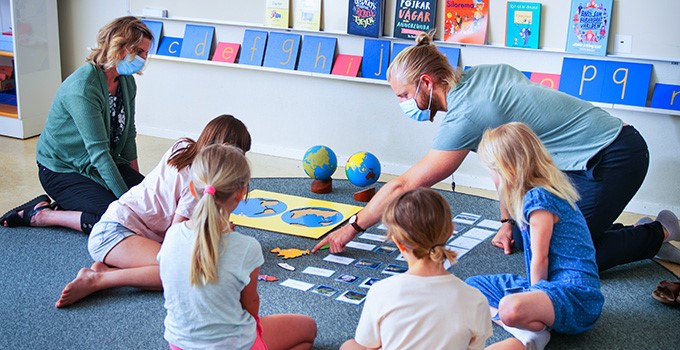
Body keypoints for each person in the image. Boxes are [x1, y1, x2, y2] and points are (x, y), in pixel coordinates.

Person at [313, 31, 679, 272]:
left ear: (426, 82)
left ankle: (658, 232)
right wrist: (507, 222)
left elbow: (404, 185)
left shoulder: (467, 114)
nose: (405, 105)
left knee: (566, 261)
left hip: (614, 154)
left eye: (405, 95)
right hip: (572, 163)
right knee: (525, 237)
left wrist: (353, 228)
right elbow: (500, 164)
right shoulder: (479, 77)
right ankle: (600, 224)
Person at [55, 115, 252, 308]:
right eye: (239, 155)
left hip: (119, 226)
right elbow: (175, 241)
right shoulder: (196, 187)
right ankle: (98, 279)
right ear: (225, 148)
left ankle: (108, 268)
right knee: (180, 272)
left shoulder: (182, 147)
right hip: (112, 234)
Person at [0, 16, 153, 234]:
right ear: (119, 47)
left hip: (96, 163)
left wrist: (137, 188)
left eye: (146, 53)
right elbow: (99, 152)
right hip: (62, 169)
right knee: (117, 219)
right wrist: (127, 202)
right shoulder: (83, 87)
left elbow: (128, 136)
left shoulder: (126, 82)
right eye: (139, 52)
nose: (144, 58)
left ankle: (76, 202)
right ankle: (42, 215)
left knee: (149, 205)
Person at [158, 144, 317, 350]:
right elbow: (250, 306)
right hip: (236, 345)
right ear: (241, 193)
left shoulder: (171, 235)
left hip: (179, 345)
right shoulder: (246, 247)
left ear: (192, 189)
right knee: (307, 329)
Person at [466, 123, 604, 350]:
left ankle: (533, 332)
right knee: (471, 287)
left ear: (505, 169)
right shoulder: (534, 193)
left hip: (576, 296)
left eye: (491, 170)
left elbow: (540, 259)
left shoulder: (539, 199)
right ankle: (529, 328)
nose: (491, 177)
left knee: (510, 308)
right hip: (547, 284)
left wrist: (531, 298)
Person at [341, 188, 492, 350]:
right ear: (450, 231)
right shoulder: (475, 299)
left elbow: (368, 344)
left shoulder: (381, 292)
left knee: (349, 346)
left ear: (398, 243)